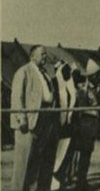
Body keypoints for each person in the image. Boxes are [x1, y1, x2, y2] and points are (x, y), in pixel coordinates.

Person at [10, 44, 60, 191]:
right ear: (33, 56)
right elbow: (17, 97)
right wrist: (22, 119)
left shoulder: (45, 74)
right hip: (29, 123)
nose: (45, 57)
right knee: (23, 165)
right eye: (42, 54)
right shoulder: (24, 72)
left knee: (39, 164)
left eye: (45, 55)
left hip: (46, 120)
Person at [70, 59, 100, 191]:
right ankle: (80, 183)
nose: (99, 77)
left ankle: (83, 181)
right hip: (84, 128)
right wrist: (96, 111)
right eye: (97, 75)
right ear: (92, 76)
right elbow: (82, 108)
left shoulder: (96, 89)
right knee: (83, 156)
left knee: (87, 156)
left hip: (91, 127)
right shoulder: (83, 90)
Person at [51, 62, 76, 190]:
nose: (69, 75)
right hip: (56, 126)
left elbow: (73, 100)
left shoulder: (69, 86)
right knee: (56, 153)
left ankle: (60, 178)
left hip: (67, 126)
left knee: (65, 152)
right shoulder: (54, 83)